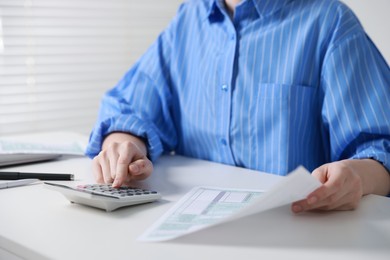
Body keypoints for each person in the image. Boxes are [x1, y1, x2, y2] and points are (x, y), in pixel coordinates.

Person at [86, 0, 390, 213]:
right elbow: (130, 106)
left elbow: (380, 148)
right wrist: (123, 145)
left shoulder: (331, 22)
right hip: (189, 231)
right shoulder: (186, 21)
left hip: (296, 231)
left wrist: (359, 176)